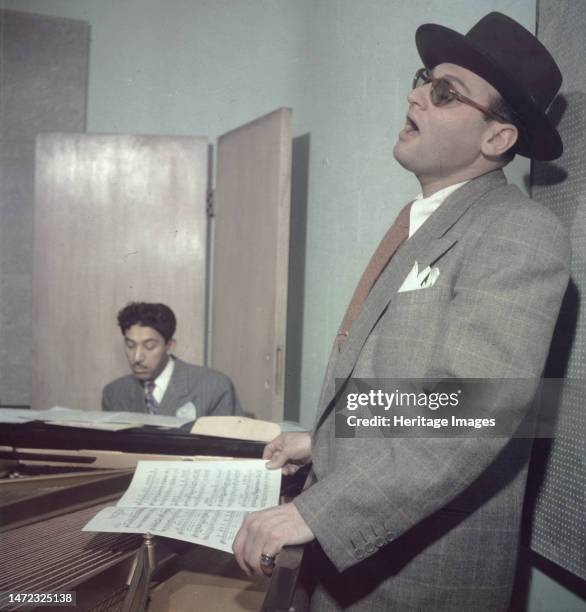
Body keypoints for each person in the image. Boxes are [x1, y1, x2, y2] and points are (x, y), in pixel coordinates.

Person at [232, 12, 571, 611]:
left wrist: (317, 510)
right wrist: (326, 439)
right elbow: (417, 387)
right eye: (423, 79)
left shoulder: (520, 231)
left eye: (444, 92)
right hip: (350, 573)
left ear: (497, 139)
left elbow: (476, 406)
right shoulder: (426, 220)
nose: (415, 93)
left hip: (416, 585)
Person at [102, 302, 242, 419]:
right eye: (130, 345)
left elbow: (229, 448)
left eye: (149, 346)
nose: (137, 357)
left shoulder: (214, 387)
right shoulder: (114, 393)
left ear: (169, 346)